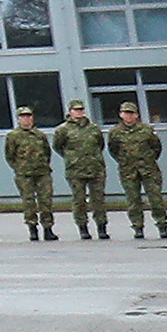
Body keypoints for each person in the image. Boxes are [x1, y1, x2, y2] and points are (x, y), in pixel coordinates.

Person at [116, 103, 167, 240]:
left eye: (131, 113)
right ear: (121, 114)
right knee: (133, 200)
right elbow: (114, 150)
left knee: (156, 199)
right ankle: (138, 227)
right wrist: (125, 161)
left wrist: (148, 160)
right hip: (128, 170)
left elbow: (156, 147)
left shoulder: (146, 130)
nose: (128, 116)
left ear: (136, 115)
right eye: (125, 113)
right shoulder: (115, 132)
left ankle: (162, 226)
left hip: (149, 170)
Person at [56, 101, 110, 241]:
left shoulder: (93, 128)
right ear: (70, 111)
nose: (79, 112)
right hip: (75, 171)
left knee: (98, 200)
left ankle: (101, 227)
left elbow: (100, 145)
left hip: (95, 168)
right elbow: (58, 147)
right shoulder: (63, 129)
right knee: (79, 200)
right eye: (76, 110)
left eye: (81, 110)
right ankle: (83, 228)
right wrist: (71, 158)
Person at [3, 106, 55, 242]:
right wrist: (19, 168)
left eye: (28, 116)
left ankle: (48, 228)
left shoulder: (40, 135)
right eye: (23, 116)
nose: (26, 119)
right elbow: (10, 155)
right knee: (29, 201)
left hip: (42, 172)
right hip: (24, 174)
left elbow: (47, 152)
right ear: (19, 119)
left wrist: (44, 165)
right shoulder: (13, 136)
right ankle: (32, 229)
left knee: (46, 200)